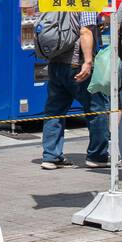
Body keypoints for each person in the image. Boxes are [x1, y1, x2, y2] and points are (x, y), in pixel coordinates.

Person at [41, 10, 109, 169]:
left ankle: (50, 157)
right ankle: (97, 156)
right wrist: (88, 62)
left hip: (55, 64)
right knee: (97, 109)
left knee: (54, 111)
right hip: (77, 65)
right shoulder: (84, 1)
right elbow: (85, 31)